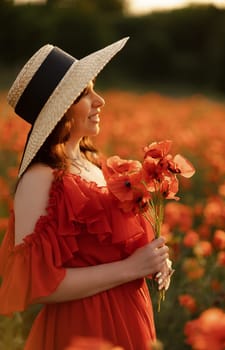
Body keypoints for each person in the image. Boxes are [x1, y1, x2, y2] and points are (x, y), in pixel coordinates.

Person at [0, 37, 172, 350]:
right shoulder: (40, 179)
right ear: (58, 111)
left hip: (133, 319)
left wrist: (157, 262)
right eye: (84, 93)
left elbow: (117, 252)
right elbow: (39, 285)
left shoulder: (100, 167)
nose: (99, 101)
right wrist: (131, 268)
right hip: (85, 329)